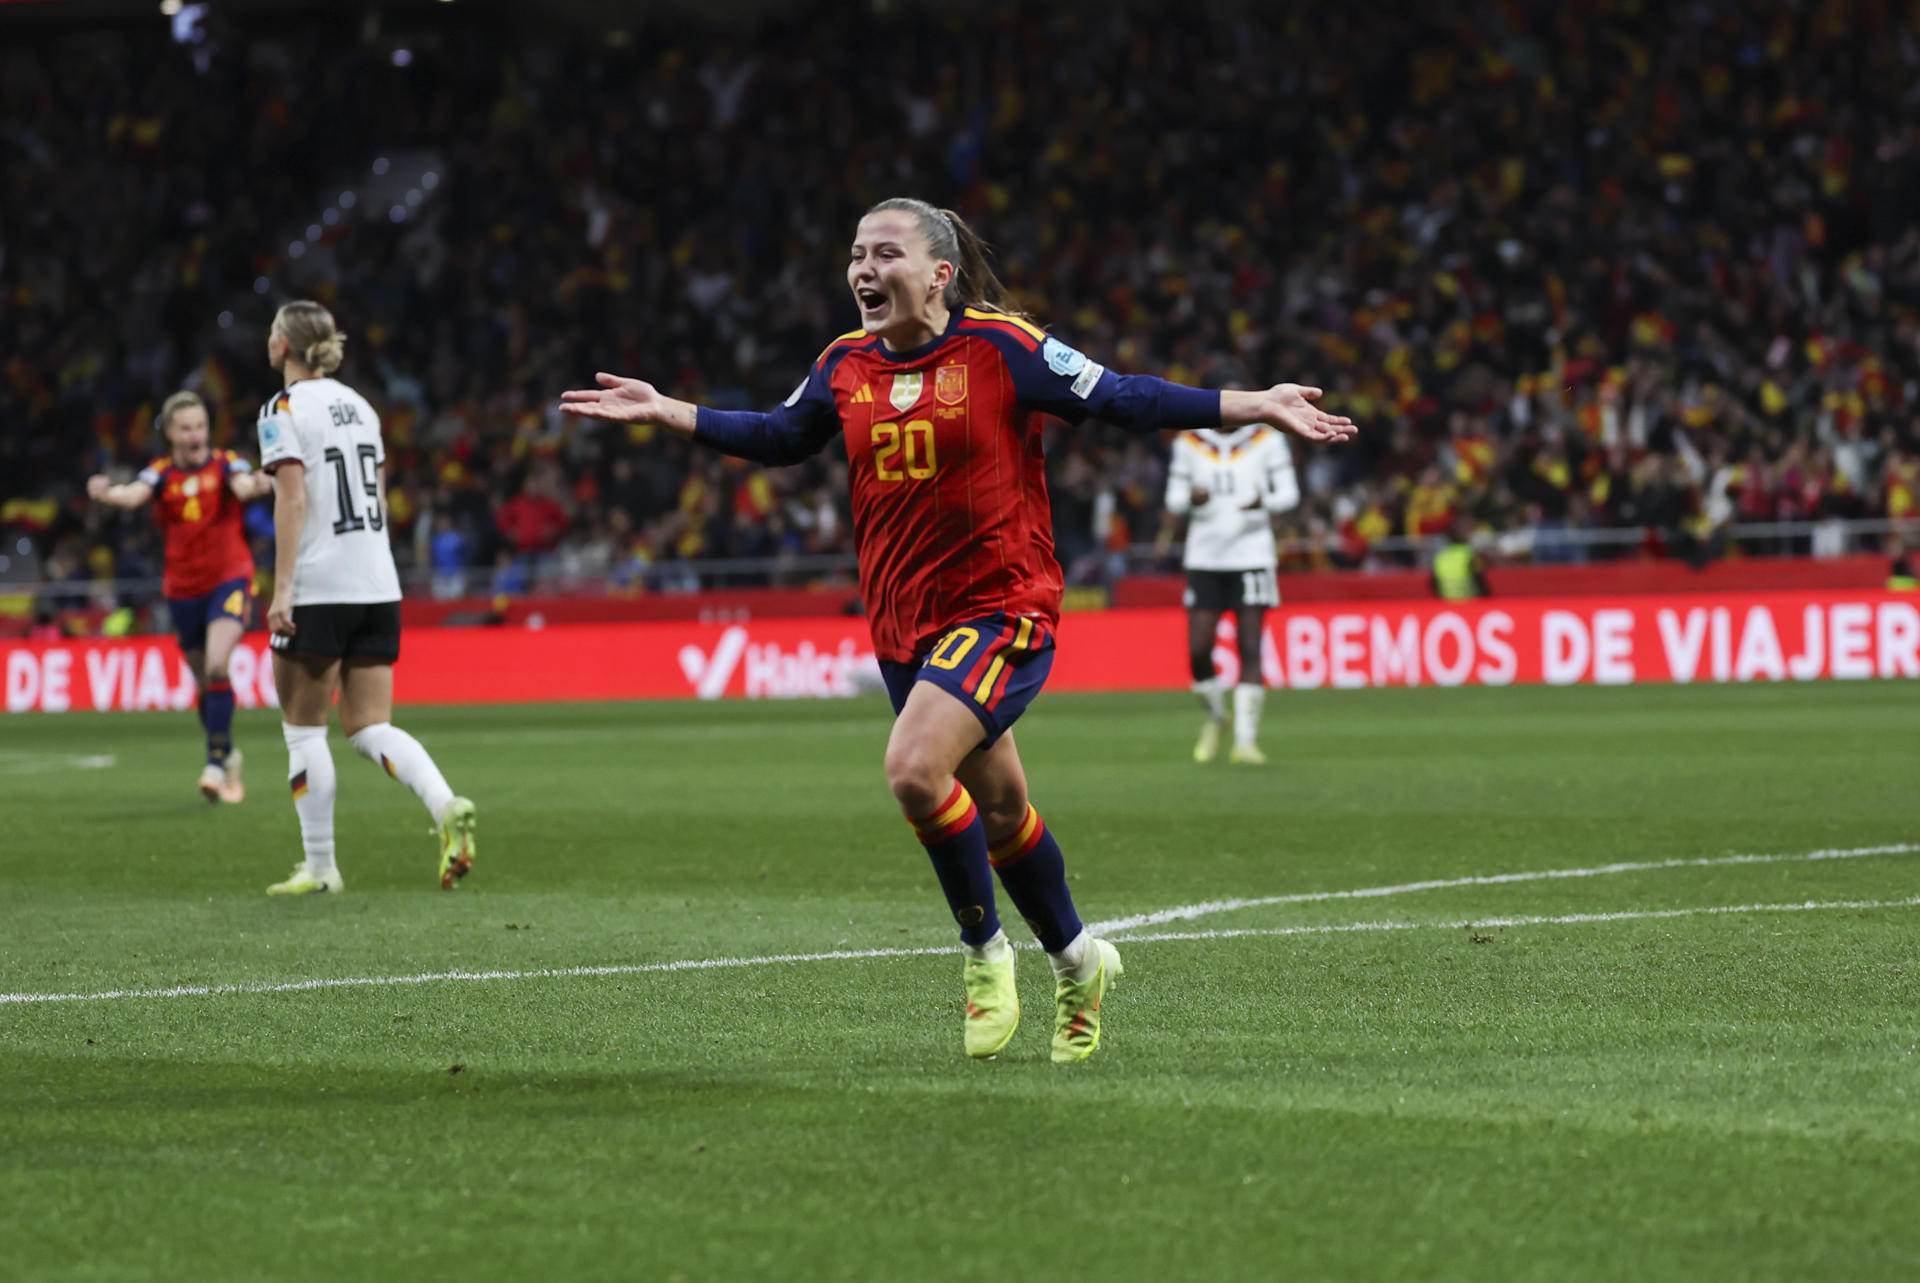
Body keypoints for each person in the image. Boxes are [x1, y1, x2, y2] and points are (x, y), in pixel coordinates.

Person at [562, 198, 1356, 1063]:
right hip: (905, 626)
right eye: (857, 254)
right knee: (1005, 808)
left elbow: (1124, 397)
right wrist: (668, 408)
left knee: (912, 769)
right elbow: (779, 435)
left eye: (887, 253)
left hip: (1003, 608)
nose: (865, 269)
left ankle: (984, 955)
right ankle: (1081, 960)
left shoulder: (1003, 347)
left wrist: (1256, 403)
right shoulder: (844, 363)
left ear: (939, 274)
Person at [255, 300, 477, 896]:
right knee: (369, 726)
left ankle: (321, 867)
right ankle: (444, 803)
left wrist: (281, 591)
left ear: (283, 347)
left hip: (318, 585)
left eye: (273, 330)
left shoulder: (281, 409)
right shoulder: (363, 407)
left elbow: (293, 500)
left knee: (305, 732)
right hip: (377, 581)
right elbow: (375, 492)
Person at [88, 389, 273, 803]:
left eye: (201, 426)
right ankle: (229, 758)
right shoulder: (160, 473)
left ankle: (213, 761)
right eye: (186, 428)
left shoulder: (226, 463)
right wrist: (106, 493)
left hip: (229, 579)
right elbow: (134, 494)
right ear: (170, 434)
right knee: (206, 686)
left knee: (216, 664)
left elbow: (243, 485)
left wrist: (259, 482)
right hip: (182, 590)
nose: (195, 435)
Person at [1155, 391, 1300, 765]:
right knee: (1198, 651)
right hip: (1205, 556)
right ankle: (1218, 716)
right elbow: (1173, 501)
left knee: (1250, 646)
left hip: (1252, 556)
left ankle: (1246, 741)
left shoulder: (1267, 438)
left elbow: (1288, 494)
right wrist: (1193, 500)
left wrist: (1262, 500)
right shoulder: (1189, 441)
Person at [1431, 514, 1491, 600]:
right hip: (1470, 603)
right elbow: (1479, 579)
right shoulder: (1469, 553)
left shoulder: (1440, 556)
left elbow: (1434, 583)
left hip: (1447, 603)